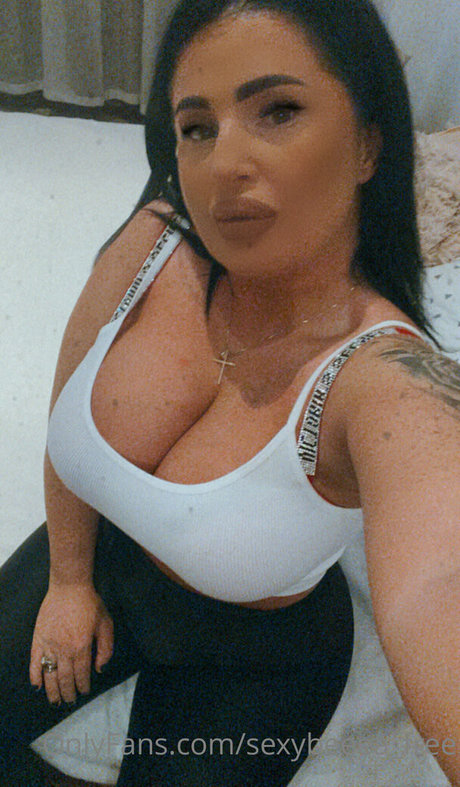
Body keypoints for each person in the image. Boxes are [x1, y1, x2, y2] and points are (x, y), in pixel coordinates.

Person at [1, 0, 459, 784]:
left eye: (278, 111)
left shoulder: (384, 377)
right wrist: (70, 578)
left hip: (260, 659)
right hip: (104, 560)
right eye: (197, 127)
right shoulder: (155, 237)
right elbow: (67, 401)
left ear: (368, 143)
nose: (224, 164)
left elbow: (437, 583)